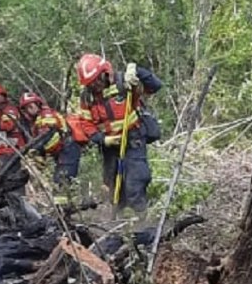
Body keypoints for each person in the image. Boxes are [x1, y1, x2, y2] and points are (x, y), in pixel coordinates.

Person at [74, 54, 162, 215]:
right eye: (91, 84)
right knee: (114, 189)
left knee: (134, 185)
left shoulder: (124, 83)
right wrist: (103, 140)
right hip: (110, 147)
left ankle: (143, 226)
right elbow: (86, 124)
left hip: (132, 141)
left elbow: (155, 86)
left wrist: (136, 71)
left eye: (97, 81)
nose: (95, 86)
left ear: (105, 72)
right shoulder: (87, 97)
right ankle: (120, 226)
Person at [18, 91, 81, 190]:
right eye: (26, 108)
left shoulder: (46, 115)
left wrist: (36, 150)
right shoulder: (36, 122)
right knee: (60, 180)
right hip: (61, 152)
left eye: (31, 105)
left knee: (62, 180)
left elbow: (48, 135)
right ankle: (67, 202)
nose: (29, 109)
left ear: (38, 104)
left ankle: (67, 204)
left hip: (68, 148)